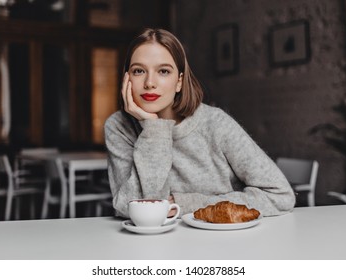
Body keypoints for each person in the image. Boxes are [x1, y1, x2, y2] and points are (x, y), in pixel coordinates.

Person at [104, 28, 295, 218]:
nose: (149, 82)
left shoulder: (215, 123)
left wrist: (189, 204)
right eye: (138, 71)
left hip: (225, 240)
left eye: (163, 71)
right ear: (126, 79)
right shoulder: (118, 127)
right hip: (156, 245)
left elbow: (280, 196)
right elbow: (129, 209)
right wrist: (154, 130)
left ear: (179, 81)